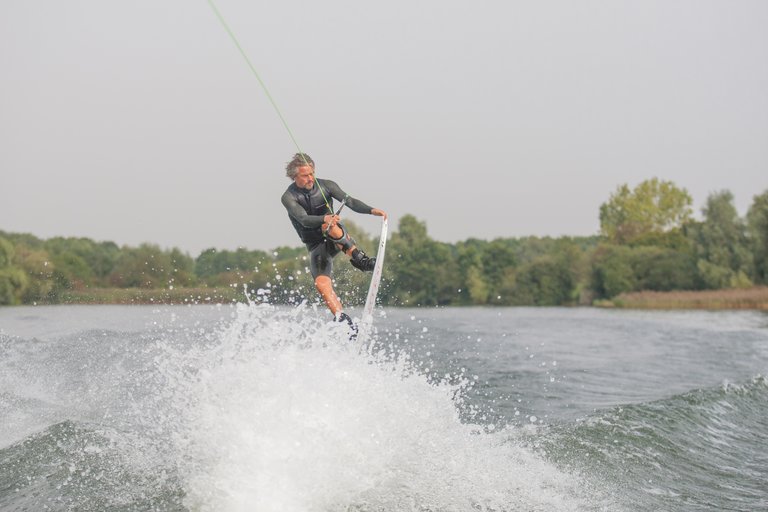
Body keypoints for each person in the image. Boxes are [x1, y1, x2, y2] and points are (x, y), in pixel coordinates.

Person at [280, 153, 387, 327]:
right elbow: (304, 219)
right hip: (316, 246)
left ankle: (360, 260)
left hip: (336, 237)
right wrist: (325, 218)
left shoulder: (326, 185)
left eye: (312, 173)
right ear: (294, 176)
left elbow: (350, 202)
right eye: (305, 175)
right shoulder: (288, 197)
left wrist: (371, 210)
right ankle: (343, 320)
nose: (310, 178)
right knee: (320, 283)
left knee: (329, 226)